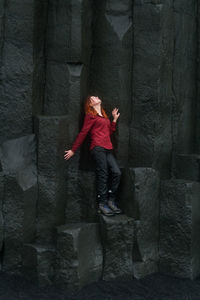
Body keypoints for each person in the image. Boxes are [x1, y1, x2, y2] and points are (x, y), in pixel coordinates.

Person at [64, 95, 122, 216]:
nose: (96, 97)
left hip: (107, 148)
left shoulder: (104, 116)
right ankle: (102, 204)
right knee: (103, 173)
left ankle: (111, 200)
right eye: (93, 97)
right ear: (90, 104)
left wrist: (114, 120)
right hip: (97, 147)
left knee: (117, 172)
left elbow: (109, 132)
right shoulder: (90, 116)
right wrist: (73, 150)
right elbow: (83, 132)